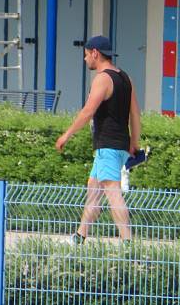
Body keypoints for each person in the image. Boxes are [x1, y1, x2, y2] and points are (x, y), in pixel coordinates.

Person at [55, 35, 142, 244]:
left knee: (112, 190)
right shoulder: (125, 78)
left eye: (86, 55)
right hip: (119, 145)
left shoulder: (103, 79)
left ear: (95, 53)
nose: (85, 60)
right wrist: (134, 143)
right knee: (94, 190)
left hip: (107, 146)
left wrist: (66, 134)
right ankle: (80, 236)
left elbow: (88, 111)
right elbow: (135, 114)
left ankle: (128, 242)